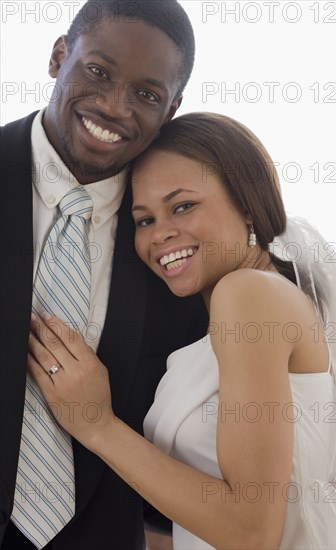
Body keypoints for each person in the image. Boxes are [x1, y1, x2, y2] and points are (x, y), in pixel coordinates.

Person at [28, 112, 336, 549]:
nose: (160, 234)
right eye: (144, 220)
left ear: (249, 202)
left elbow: (251, 532)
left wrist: (97, 425)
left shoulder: (248, 293)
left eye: (182, 206)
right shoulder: (254, 307)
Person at [0, 2, 208, 549]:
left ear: (172, 108)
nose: (114, 106)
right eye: (98, 71)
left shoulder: (180, 239)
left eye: (146, 94)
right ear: (59, 56)